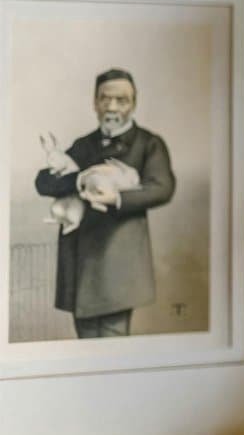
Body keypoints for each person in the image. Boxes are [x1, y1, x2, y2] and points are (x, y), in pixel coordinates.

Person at [34, 68, 176, 338]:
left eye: (121, 100)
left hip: (118, 263)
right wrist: (78, 180)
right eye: (105, 99)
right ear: (94, 103)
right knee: (86, 340)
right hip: (80, 264)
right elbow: (43, 182)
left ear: (134, 104)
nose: (112, 107)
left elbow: (162, 188)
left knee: (113, 342)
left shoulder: (149, 144)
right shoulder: (83, 145)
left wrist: (118, 198)